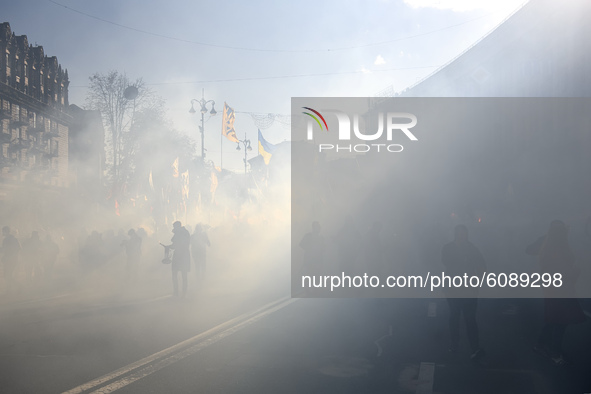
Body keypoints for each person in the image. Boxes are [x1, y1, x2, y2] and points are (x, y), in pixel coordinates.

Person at [533, 220, 586, 366]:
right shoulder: (556, 249)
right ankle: (555, 353)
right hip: (559, 289)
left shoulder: (551, 247)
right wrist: (575, 271)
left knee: (554, 320)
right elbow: (562, 270)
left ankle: (540, 345)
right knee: (559, 321)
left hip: (557, 289)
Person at [441, 224, 486, 362]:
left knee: (470, 319)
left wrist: (478, 280)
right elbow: (446, 262)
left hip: (469, 288)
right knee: (454, 316)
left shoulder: (472, 248)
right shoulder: (448, 248)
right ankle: (454, 344)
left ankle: (475, 348)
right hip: (453, 288)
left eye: (465, 234)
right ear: (456, 234)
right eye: (460, 234)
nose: (463, 236)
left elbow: (481, 265)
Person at [166, 221, 191, 298]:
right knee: (180, 274)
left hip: (181, 255)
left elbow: (177, 244)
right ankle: (180, 292)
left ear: (177, 226)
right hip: (181, 255)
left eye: (174, 227)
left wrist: (169, 246)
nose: (173, 228)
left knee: (179, 274)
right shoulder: (183, 232)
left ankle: (179, 292)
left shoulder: (182, 233)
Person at [1, 226, 21, 294]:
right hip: (9, 259)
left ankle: (17, 286)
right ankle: (11, 288)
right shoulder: (10, 239)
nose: (2, 232)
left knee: (7, 275)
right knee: (7, 274)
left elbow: (17, 248)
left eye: (3, 231)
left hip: (11, 260)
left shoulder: (9, 239)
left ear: (6, 231)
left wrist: (10, 255)